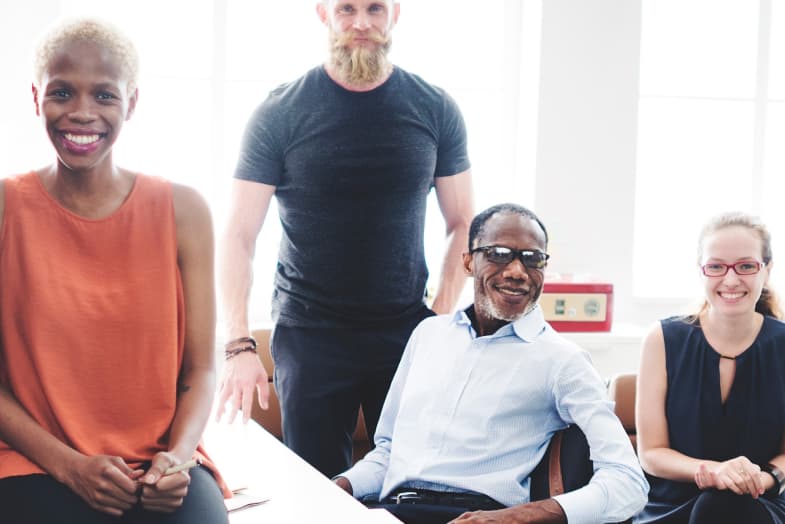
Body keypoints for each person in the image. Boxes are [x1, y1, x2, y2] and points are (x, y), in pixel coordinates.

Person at [217, 0, 474, 478]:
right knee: (316, 487)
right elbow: (237, 234)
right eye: (346, 8)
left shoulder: (435, 108)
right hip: (310, 333)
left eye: (375, 9)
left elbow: (463, 222)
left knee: (409, 483)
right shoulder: (279, 112)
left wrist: (439, 319)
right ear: (322, 14)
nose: (361, 23)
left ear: (395, 13)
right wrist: (238, 345)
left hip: (405, 330)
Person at [0, 18, 229, 523]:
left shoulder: (184, 210)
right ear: (36, 98)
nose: (82, 113)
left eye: (104, 95)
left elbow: (200, 369)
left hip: (158, 464)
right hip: (34, 463)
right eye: (62, 92)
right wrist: (70, 467)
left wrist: (179, 458)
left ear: (132, 102)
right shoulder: (5, 207)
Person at [334, 203, 648, 524]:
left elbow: (628, 483)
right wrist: (336, 487)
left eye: (532, 258)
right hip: (388, 510)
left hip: (482, 514)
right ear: (469, 261)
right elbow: (388, 452)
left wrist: (517, 518)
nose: (517, 271)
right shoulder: (428, 334)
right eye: (499, 253)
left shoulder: (562, 359)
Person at [636, 212, 785, 524]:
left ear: (767, 270)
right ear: (701, 271)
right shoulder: (662, 339)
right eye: (716, 266)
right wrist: (716, 473)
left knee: (727, 508)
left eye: (746, 266)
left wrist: (762, 478)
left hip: (760, 502)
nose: (730, 280)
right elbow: (651, 453)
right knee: (714, 505)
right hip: (673, 506)